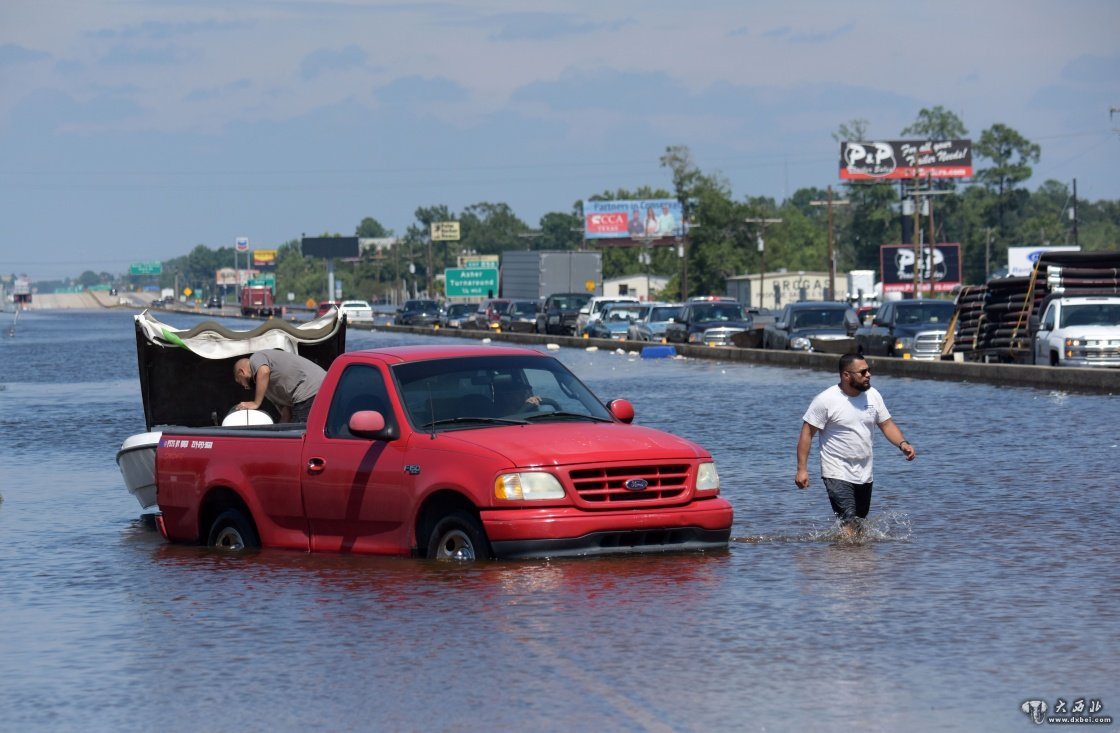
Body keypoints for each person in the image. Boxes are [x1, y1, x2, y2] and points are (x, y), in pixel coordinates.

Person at [795, 353, 916, 538]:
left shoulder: (873, 396)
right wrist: (801, 469)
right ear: (846, 375)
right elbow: (807, 433)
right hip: (836, 470)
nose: (868, 375)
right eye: (863, 372)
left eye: (869, 370)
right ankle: (847, 564)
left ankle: (852, 559)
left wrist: (902, 444)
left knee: (860, 524)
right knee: (849, 520)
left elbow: (886, 424)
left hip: (864, 472)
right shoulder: (826, 400)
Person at [233, 350, 327, 423]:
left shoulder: (256, 357)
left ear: (241, 372)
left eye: (240, 381)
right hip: (313, 393)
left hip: (311, 389)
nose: (244, 387)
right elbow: (286, 413)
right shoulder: (267, 389)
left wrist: (256, 403)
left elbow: (264, 371)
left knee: (300, 432)